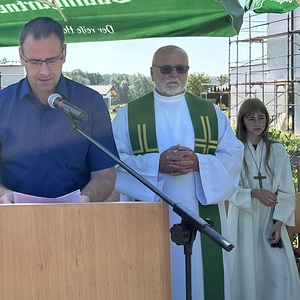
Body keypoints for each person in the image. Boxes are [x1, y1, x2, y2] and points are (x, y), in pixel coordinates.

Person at [112, 45, 244, 300]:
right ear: (152, 72)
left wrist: (199, 163)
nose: (173, 74)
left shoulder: (210, 113)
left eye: (180, 69)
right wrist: (156, 165)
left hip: (200, 215)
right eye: (165, 68)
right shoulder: (128, 115)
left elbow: (234, 156)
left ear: (187, 72)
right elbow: (114, 162)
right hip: (149, 219)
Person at [0, 17, 119, 203]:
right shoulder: (2, 104)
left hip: (76, 221)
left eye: (52, 60)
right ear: (22, 57)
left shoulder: (91, 103)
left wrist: (86, 199)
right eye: (35, 62)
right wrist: (3, 195)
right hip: (14, 221)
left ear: (64, 53)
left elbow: (104, 173)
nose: (44, 71)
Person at [227, 98, 300, 300]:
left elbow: (286, 189)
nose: (257, 123)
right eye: (251, 119)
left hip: (271, 219)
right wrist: (253, 193)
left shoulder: (277, 150)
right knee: (244, 270)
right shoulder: (234, 151)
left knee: (277, 273)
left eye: (261, 118)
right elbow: (228, 187)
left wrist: (279, 223)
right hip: (243, 220)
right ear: (242, 121)